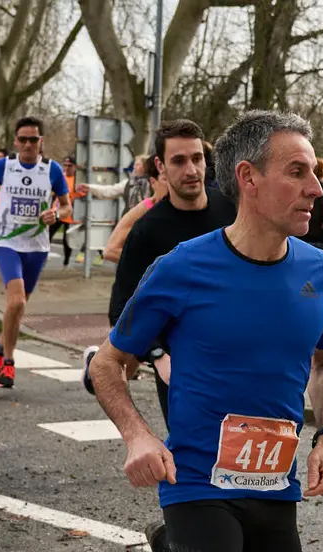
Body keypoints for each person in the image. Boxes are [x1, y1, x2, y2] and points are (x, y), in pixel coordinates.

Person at [89, 109, 323, 552]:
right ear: (249, 178)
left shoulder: (322, 271)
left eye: (316, 173)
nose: (316, 188)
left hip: (274, 487)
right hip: (198, 484)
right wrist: (138, 435)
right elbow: (106, 364)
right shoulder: (182, 267)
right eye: (299, 172)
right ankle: (183, 543)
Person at [83, 120, 235, 415]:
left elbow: (273, 252)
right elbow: (121, 306)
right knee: (191, 457)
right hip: (181, 366)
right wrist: (157, 354)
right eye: (178, 161)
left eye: (197, 158)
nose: (191, 170)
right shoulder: (147, 232)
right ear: (160, 166)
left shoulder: (232, 209)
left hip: (236, 356)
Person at [0, 116, 72, 389]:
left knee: (18, 306)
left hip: (37, 246)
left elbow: (67, 207)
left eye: (33, 139)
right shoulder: (4, 166)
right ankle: (9, 361)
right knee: (17, 303)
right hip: (6, 242)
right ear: (16, 141)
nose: (28, 144)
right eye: (23, 139)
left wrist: (56, 214)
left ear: (41, 142)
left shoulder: (52, 170)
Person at [100, 155, 164, 264]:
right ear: (154, 182)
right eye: (166, 179)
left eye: (137, 164)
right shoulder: (143, 206)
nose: (134, 167)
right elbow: (110, 251)